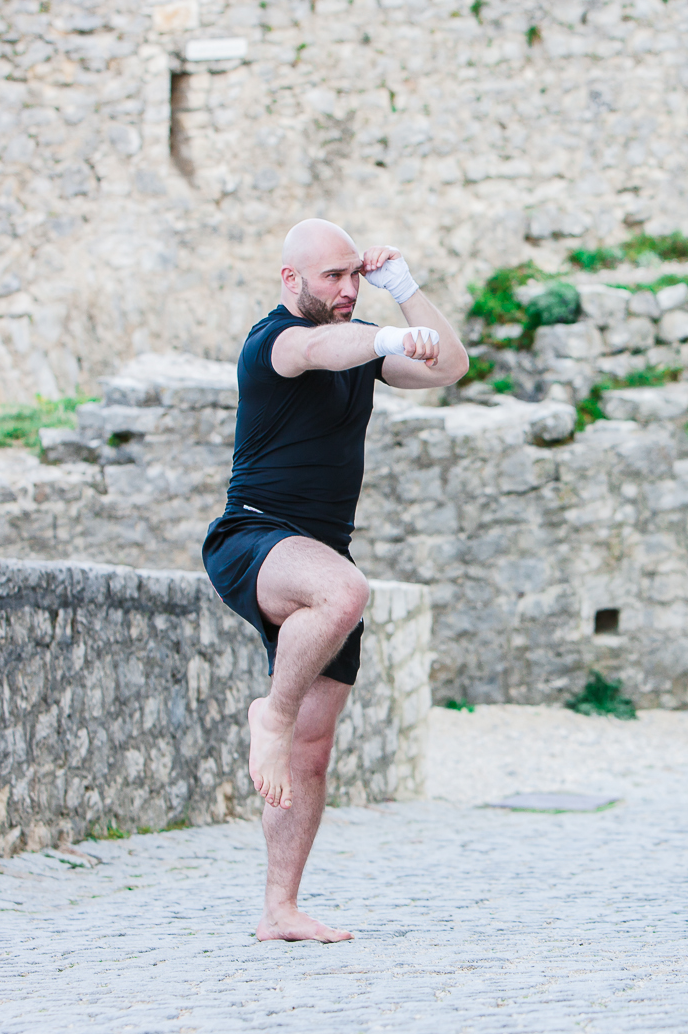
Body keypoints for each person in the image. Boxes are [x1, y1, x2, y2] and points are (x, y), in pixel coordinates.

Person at [202, 218, 468, 943]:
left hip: (318, 551)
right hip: (252, 536)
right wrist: (384, 338)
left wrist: (404, 292)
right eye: (333, 277)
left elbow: (450, 368)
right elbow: (320, 348)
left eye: (356, 274)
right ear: (292, 281)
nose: (349, 288)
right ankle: (271, 716)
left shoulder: (364, 341)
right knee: (346, 592)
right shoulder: (275, 343)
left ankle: (279, 909)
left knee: (313, 752)